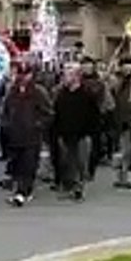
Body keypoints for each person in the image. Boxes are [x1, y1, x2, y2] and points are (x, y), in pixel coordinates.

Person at [0, 65, 52, 207]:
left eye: (26, 73)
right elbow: (5, 110)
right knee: (17, 165)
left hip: (32, 136)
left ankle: (23, 193)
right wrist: (6, 125)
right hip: (15, 135)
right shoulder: (12, 91)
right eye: (20, 74)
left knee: (28, 165)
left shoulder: (38, 92)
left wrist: (37, 125)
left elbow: (48, 113)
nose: (22, 77)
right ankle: (19, 190)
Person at [52, 65, 100, 201]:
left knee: (80, 162)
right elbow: (56, 114)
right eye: (65, 74)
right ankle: (68, 187)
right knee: (66, 162)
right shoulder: (61, 95)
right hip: (64, 134)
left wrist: (90, 133)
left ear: (77, 77)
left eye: (69, 74)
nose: (65, 77)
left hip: (82, 135)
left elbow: (94, 116)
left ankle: (79, 188)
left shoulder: (87, 95)